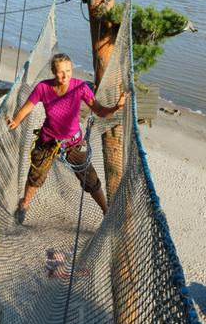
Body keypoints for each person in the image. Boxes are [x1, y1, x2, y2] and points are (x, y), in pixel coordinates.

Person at [7, 53, 126, 225]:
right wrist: (16, 121)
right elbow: (27, 108)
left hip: (73, 144)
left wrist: (115, 108)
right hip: (48, 142)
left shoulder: (80, 87)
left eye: (68, 71)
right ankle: (24, 203)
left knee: (90, 179)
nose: (65, 75)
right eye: (61, 72)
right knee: (36, 175)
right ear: (53, 72)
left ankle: (106, 211)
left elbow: (100, 111)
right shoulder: (42, 88)